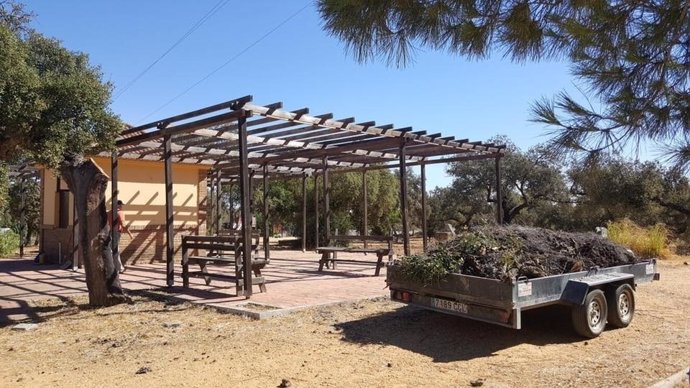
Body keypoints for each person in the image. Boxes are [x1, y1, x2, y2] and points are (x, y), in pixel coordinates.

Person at [108, 200, 133, 273]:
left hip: (110, 232)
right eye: (121, 205)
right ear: (118, 205)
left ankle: (111, 267)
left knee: (111, 250)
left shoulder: (109, 212)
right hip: (116, 232)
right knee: (116, 250)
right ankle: (119, 268)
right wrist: (130, 234)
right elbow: (123, 224)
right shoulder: (120, 213)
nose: (122, 206)